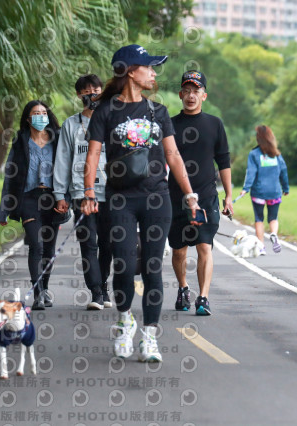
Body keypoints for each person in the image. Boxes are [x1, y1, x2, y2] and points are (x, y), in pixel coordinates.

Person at [81, 44, 200, 363]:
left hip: (156, 197)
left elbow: (173, 155)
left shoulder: (158, 112)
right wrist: (89, 191)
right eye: (149, 67)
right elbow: (93, 154)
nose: (154, 72)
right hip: (120, 198)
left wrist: (189, 195)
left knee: (151, 267)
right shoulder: (106, 111)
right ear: (131, 71)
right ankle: (124, 320)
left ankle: (149, 336)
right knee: (122, 263)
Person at [167, 71, 233, 316]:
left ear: (204, 95)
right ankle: (184, 288)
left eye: (196, 91)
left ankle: (203, 297)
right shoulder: (170, 124)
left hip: (206, 196)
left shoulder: (214, 124)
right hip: (175, 196)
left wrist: (227, 194)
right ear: (180, 94)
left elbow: (223, 161)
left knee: (204, 245)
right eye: (187, 90)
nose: (191, 95)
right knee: (179, 249)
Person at [53, 74, 113, 310]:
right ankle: (96, 292)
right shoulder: (70, 125)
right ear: (79, 96)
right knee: (88, 243)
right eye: (87, 91)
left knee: (108, 243)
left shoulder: (112, 120)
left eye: (96, 90)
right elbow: (62, 160)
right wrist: (60, 194)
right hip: (81, 193)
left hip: (110, 193)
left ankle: (104, 285)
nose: (92, 95)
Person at [0, 100, 63, 310]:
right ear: (28, 118)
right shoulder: (20, 141)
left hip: (52, 198)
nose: (40, 116)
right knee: (36, 244)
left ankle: (44, 288)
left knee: (49, 249)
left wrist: (67, 198)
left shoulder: (58, 138)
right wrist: (5, 209)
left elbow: (68, 169)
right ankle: (37, 294)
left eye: (44, 112)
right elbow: (10, 174)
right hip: (28, 198)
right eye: (36, 113)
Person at [240, 125, 290, 256]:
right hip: (274, 192)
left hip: (258, 193)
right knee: (273, 218)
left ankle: (261, 246)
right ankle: (273, 233)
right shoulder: (276, 154)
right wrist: (286, 188)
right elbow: (283, 171)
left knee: (259, 219)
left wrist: (245, 188)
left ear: (258, 139)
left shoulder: (254, 154)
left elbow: (251, 172)